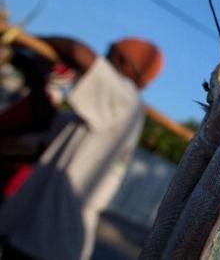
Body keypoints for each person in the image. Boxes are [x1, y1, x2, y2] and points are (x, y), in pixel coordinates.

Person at [0, 36, 162, 260]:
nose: (102, 60)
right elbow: (46, 123)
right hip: (30, 232)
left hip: (51, 243)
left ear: (125, 63)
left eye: (109, 55)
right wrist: (37, 78)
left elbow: (76, 51)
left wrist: (25, 40)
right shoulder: (98, 115)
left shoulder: (125, 98)